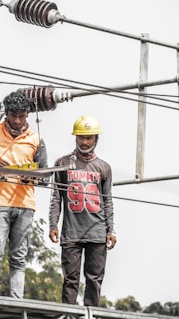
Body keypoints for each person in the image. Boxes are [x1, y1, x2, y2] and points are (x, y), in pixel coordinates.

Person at [0, 90, 48, 298]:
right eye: (13, 115)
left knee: (19, 257)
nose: (16, 121)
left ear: (28, 115)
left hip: (25, 205)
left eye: (21, 116)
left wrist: (30, 176)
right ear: (6, 113)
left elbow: (45, 175)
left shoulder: (36, 139)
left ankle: (17, 300)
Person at [49, 115, 116, 306]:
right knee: (70, 280)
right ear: (75, 138)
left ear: (96, 139)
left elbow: (108, 201)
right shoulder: (63, 163)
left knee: (94, 280)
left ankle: (91, 314)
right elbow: (56, 197)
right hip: (71, 232)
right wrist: (53, 224)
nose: (84, 142)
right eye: (81, 137)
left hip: (97, 232)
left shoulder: (104, 167)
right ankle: (69, 314)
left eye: (89, 138)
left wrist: (111, 230)